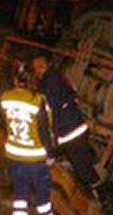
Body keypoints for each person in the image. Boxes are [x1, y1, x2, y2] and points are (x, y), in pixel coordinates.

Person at [0, 63, 56, 215]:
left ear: (15, 80)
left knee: (20, 196)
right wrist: (50, 155)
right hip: (35, 159)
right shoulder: (38, 100)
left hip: (15, 158)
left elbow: (4, 124)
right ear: (33, 80)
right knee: (43, 197)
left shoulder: (5, 98)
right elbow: (44, 131)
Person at [30, 54, 102, 192]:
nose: (37, 71)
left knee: (83, 169)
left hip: (69, 133)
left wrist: (49, 153)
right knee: (84, 160)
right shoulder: (56, 77)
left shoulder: (46, 88)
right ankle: (95, 182)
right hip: (76, 127)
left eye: (38, 67)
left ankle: (98, 192)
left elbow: (46, 121)